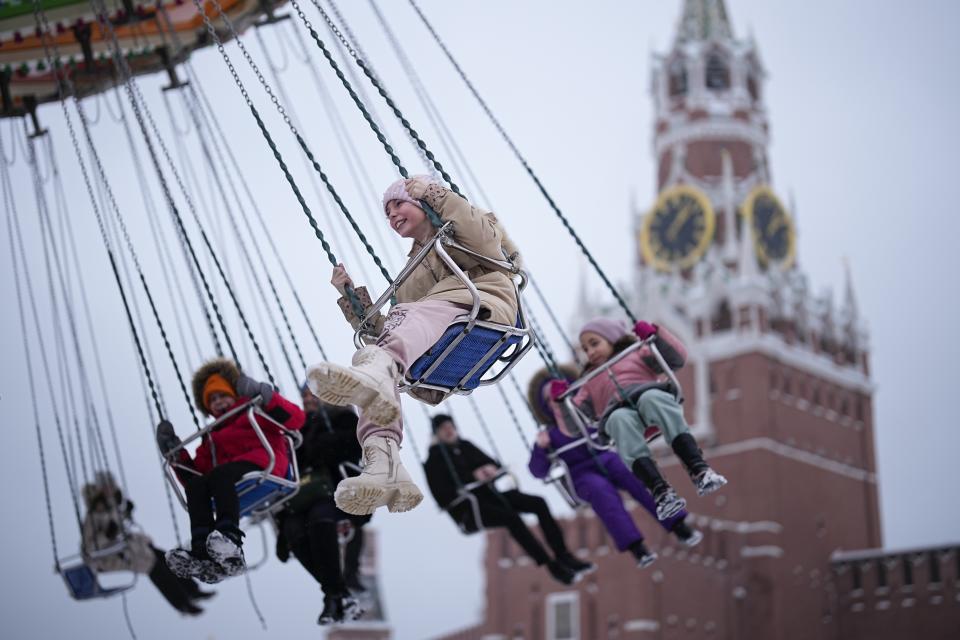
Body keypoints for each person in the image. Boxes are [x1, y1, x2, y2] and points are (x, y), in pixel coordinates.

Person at [306, 175, 522, 516]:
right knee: (377, 357)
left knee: (386, 353)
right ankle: (383, 460)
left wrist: (438, 194)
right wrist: (351, 297)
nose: (392, 216)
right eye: (387, 213)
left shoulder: (464, 226)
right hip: (440, 336)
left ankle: (378, 374)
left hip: (483, 303)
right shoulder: (411, 275)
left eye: (398, 204)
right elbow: (389, 330)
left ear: (422, 202)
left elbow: (487, 242)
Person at [526, 366, 703, 568]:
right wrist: (541, 448)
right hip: (581, 474)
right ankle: (636, 547)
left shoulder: (588, 416)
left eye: (562, 394)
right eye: (551, 399)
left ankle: (678, 524)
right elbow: (537, 471)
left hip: (607, 458)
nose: (558, 402)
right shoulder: (551, 434)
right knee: (602, 493)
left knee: (635, 474)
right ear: (545, 406)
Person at [556, 317, 727, 521]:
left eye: (594, 343)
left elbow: (676, 359)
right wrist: (562, 402)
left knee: (652, 398)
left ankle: (699, 469)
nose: (590, 352)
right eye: (585, 349)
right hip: (618, 413)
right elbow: (573, 425)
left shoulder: (637, 353)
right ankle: (660, 491)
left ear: (612, 339)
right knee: (618, 420)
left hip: (647, 396)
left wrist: (656, 336)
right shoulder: (589, 381)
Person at [157, 358, 305, 583]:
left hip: (264, 464)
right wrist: (176, 454)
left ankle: (230, 536)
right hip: (230, 480)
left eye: (222, 395)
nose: (218, 402)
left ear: (234, 394)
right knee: (198, 485)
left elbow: (295, 419)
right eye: (212, 400)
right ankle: (201, 549)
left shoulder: (254, 411)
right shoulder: (211, 437)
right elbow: (197, 475)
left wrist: (264, 395)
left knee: (220, 474)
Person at [423, 414, 591, 585]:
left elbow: (491, 463)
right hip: (469, 510)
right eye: (444, 428)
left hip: (492, 497)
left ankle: (563, 555)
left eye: (451, 426)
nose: (449, 430)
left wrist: (490, 469)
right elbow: (442, 494)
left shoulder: (466, 446)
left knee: (538, 503)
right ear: (436, 433)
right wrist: (473, 477)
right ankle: (549, 564)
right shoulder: (434, 460)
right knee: (511, 518)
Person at [274, 385, 369, 625]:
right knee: (294, 531)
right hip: (304, 496)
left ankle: (335, 594)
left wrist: (324, 446)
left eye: (311, 395)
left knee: (320, 519)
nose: (307, 400)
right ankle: (337, 593)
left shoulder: (341, 418)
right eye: (304, 396)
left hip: (337, 490)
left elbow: (354, 445)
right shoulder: (297, 433)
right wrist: (281, 527)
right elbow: (289, 471)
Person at [82, 472, 214, 615]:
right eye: (106, 487)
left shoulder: (111, 507)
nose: (110, 489)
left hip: (125, 546)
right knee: (153, 566)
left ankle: (193, 590)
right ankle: (183, 604)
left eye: (111, 485)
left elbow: (117, 525)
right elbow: (90, 547)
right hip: (108, 557)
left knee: (164, 557)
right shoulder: (92, 517)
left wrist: (126, 512)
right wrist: (107, 535)